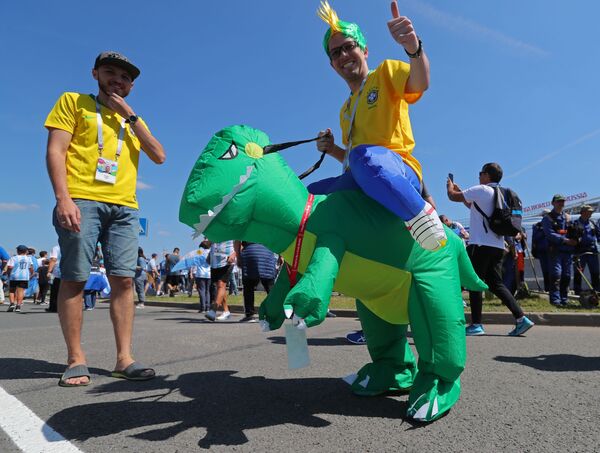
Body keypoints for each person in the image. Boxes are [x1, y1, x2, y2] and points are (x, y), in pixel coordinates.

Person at [45, 51, 165, 386]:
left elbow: (159, 156)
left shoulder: (133, 119)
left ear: (131, 87)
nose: (118, 80)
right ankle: (75, 358)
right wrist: (63, 198)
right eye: (110, 72)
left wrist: (129, 115)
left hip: (125, 206)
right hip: (82, 200)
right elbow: (55, 150)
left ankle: (124, 358)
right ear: (95, 73)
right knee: (75, 277)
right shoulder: (73, 102)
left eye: (125, 78)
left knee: (124, 280)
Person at [312, 0, 446, 252]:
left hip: (400, 171)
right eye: (335, 52)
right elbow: (353, 161)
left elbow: (419, 83)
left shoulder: (385, 72)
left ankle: (421, 217)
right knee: (309, 195)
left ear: (364, 50)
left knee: (365, 156)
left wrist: (413, 48)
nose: (343, 55)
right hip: (365, 174)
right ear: (332, 65)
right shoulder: (345, 110)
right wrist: (332, 150)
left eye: (348, 46)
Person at [447, 162, 534, 336]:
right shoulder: (500, 194)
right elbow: (474, 207)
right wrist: (461, 190)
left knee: (474, 283)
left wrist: (449, 186)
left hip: (479, 244)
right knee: (496, 284)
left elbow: (452, 197)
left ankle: (476, 325)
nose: (479, 176)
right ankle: (521, 318)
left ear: (487, 175)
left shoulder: (481, 189)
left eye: (481, 173)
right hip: (497, 246)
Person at [541, 194, 577, 306]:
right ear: (553, 203)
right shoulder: (548, 218)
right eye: (558, 201)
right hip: (555, 251)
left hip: (567, 251)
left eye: (562, 201)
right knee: (556, 275)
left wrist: (576, 238)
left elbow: (572, 232)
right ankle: (555, 300)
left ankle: (564, 299)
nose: (561, 203)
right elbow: (549, 234)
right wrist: (565, 240)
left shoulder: (567, 217)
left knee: (566, 275)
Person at [237, 241, 277, 322]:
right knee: (270, 287)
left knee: (248, 287)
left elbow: (237, 241)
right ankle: (275, 313)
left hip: (250, 253)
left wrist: (238, 256)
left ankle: (249, 314)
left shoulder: (245, 228)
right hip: (267, 253)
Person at [205, 240, 236, 321]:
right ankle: (226, 311)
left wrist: (234, 254)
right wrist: (209, 255)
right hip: (214, 261)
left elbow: (240, 243)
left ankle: (213, 310)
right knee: (220, 287)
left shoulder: (232, 228)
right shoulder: (214, 229)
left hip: (227, 261)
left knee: (221, 285)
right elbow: (212, 244)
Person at [572, 205, 599, 294]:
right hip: (579, 252)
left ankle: (597, 291)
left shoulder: (592, 223)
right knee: (578, 272)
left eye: (591, 212)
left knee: (595, 272)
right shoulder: (575, 223)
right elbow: (571, 237)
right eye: (589, 211)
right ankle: (577, 291)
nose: (591, 213)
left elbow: (598, 235)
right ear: (583, 212)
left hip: (592, 251)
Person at [6, 245, 34, 313]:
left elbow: (10, 267)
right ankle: (18, 306)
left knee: (12, 290)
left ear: (18, 251)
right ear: (26, 251)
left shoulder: (13, 258)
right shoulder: (28, 258)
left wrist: (8, 273)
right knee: (21, 291)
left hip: (14, 276)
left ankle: (12, 304)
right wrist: (31, 273)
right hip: (24, 276)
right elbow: (31, 268)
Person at [531, 209, 551, 291]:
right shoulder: (537, 226)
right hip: (542, 251)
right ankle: (547, 288)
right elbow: (535, 238)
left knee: (554, 271)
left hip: (553, 251)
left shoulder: (553, 224)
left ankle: (555, 288)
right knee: (546, 270)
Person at [192, 240, 211, 312]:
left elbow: (195, 261)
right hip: (209, 274)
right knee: (207, 291)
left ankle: (202, 307)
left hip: (200, 274)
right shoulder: (210, 252)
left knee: (201, 291)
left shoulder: (199, 252)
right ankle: (208, 307)